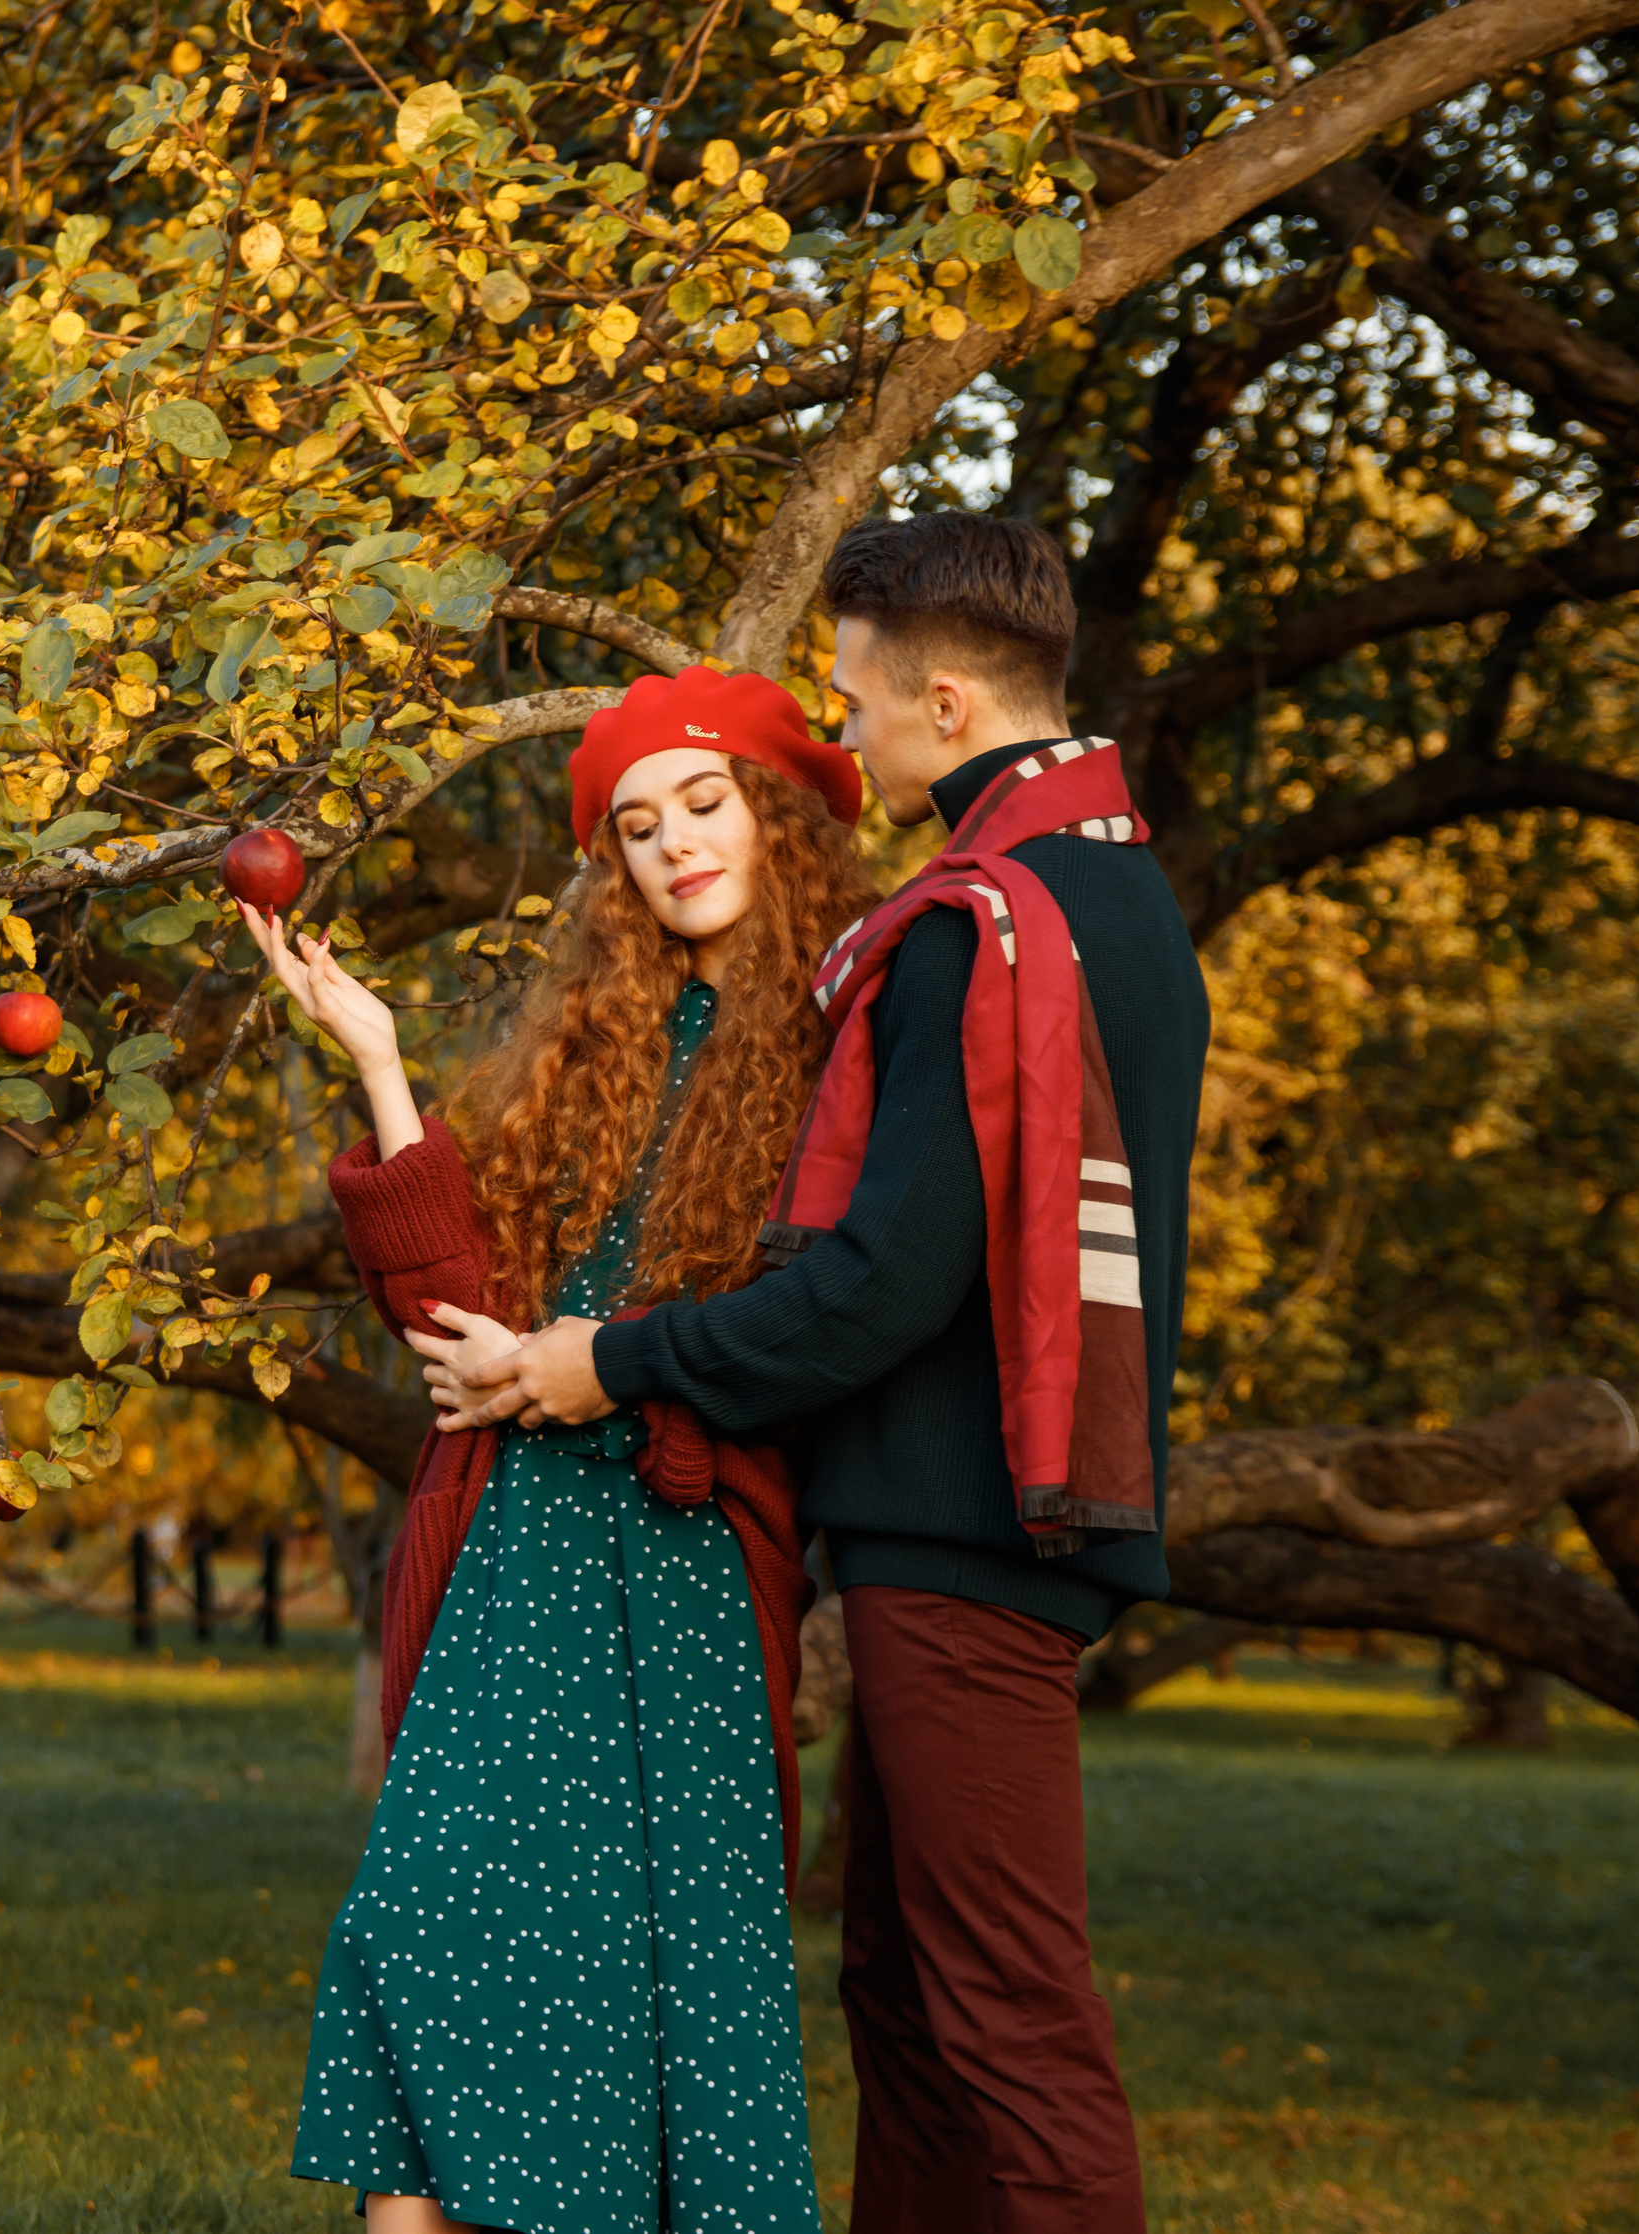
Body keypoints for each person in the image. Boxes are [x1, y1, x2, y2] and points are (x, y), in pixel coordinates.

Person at [441, 513, 1210, 2234]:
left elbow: (877, 1288)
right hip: (984, 1530)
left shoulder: (975, 926)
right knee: (910, 2002)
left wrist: (608, 1360)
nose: (846, 735)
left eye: (857, 700)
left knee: (1004, 2015)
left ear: (944, 699)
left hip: (968, 1538)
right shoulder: (1115, 894)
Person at [245, 666, 875, 2234]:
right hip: (515, 1572)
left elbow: (833, 1334)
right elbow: (462, 1324)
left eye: (704, 803)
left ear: (779, 812)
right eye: (639, 828)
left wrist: (607, 1384)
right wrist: (381, 1065)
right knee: (429, 1950)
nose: (674, 847)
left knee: (640, 2032)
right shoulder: (601, 1043)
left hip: (677, 1595)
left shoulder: (851, 1044)